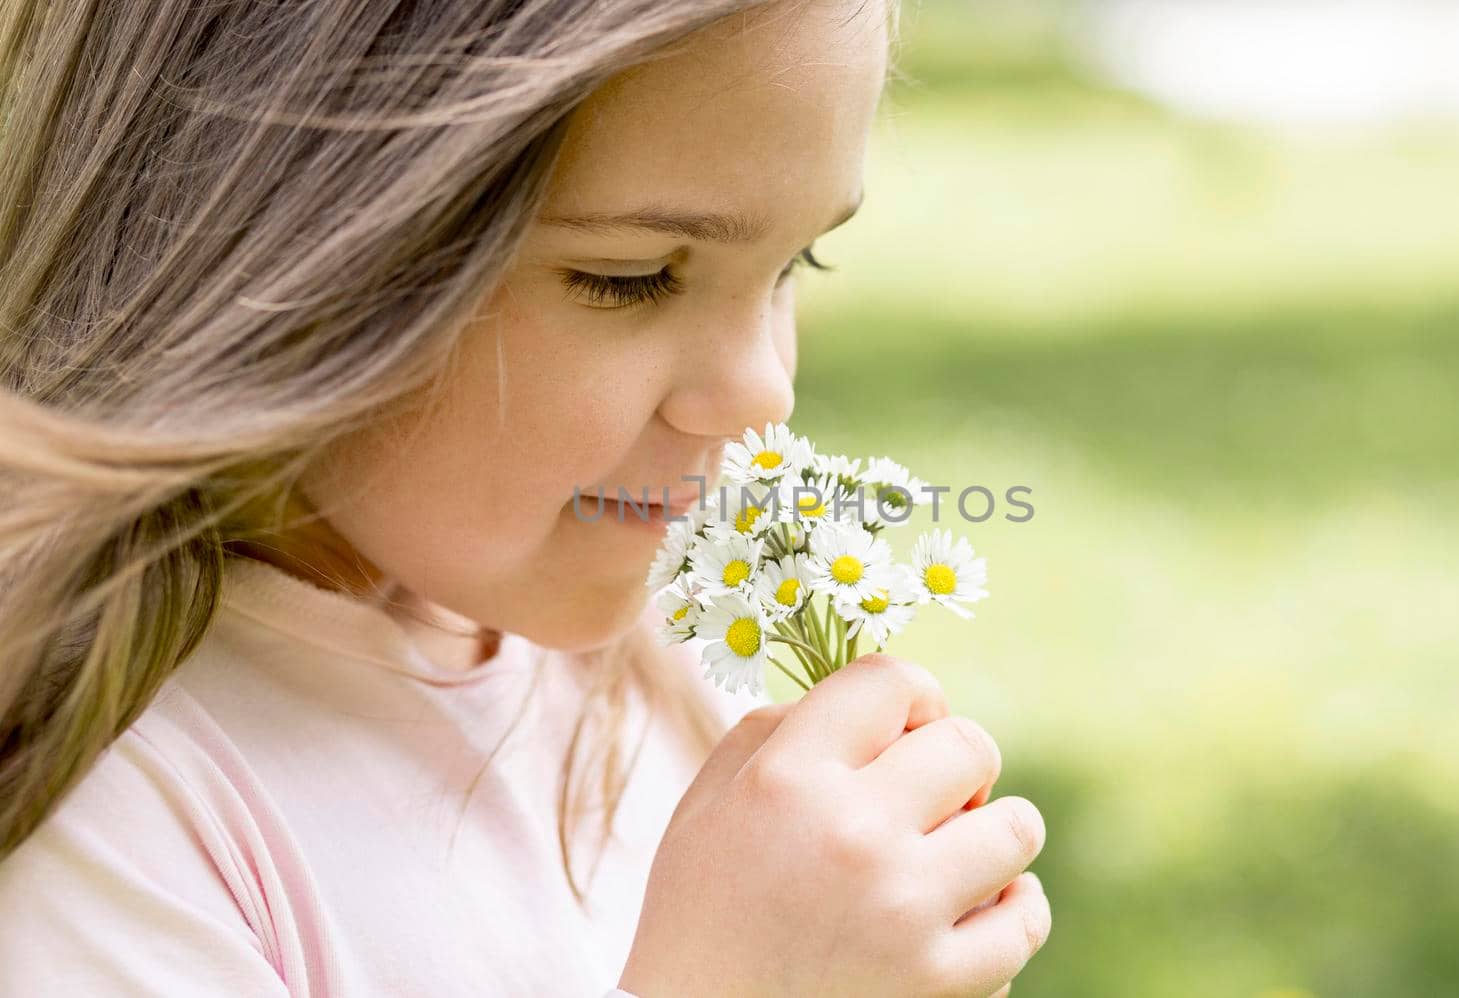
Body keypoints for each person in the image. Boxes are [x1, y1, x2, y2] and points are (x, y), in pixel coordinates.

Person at [0, 0, 1050, 994]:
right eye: (632, 277)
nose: (761, 393)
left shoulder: (664, 677)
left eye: (797, 259)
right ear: (267, 242)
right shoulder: (94, 815)